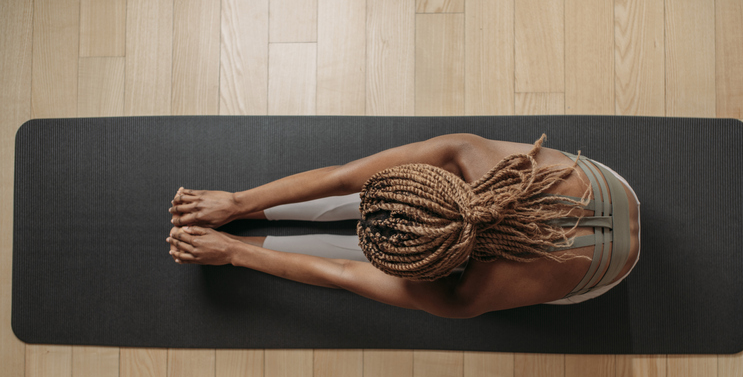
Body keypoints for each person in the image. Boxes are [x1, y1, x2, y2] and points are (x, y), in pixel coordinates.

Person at [166, 133, 640, 318]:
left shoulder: (473, 292)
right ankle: (247, 214)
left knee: (368, 249)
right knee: (375, 206)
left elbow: (346, 273)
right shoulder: (468, 154)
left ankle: (418, 242)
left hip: (606, 269)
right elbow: (345, 180)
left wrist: (235, 251)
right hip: (607, 188)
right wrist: (237, 202)